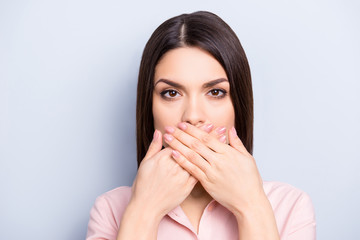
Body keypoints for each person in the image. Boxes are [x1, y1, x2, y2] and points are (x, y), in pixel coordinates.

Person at [86, 11, 316, 240]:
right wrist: (144, 212)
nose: (193, 116)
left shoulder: (290, 207)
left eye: (216, 92)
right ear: (149, 108)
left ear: (239, 106)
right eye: (171, 93)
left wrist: (251, 208)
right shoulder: (112, 210)